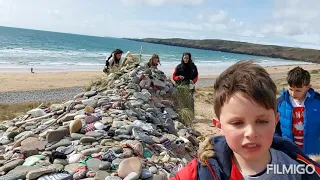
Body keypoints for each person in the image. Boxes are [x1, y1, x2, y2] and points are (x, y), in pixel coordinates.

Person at [170, 60, 320, 180]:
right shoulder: (203, 171)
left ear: (275, 121)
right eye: (237, 123)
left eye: (261, 121)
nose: (251, 133)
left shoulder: (297, 169)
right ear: (219, 126)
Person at [275, 66, 320, 155]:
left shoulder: (318, 102)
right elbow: (275, 127)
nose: (293, 93)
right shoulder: (280, 102)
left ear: (308, 87)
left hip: (313, 153)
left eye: (298, 90)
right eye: (290, 89)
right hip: (288, 151)